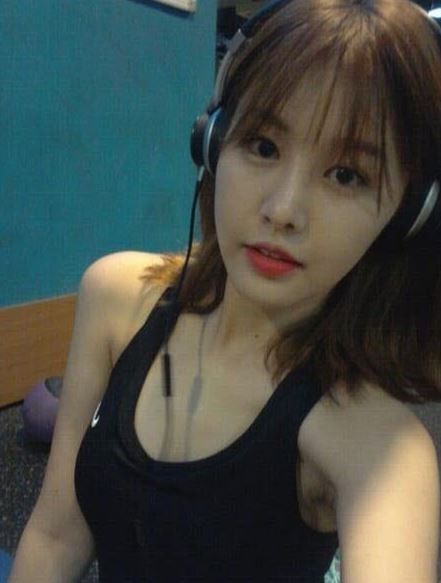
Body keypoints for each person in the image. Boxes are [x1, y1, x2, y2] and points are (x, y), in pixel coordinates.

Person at [8, 0, 441, 581]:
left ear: (408, 214)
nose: (283, 210)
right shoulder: (115, 298)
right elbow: (57, 534)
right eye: (263, 145)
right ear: (213, 142)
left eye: (346, 175)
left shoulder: (376, 444)